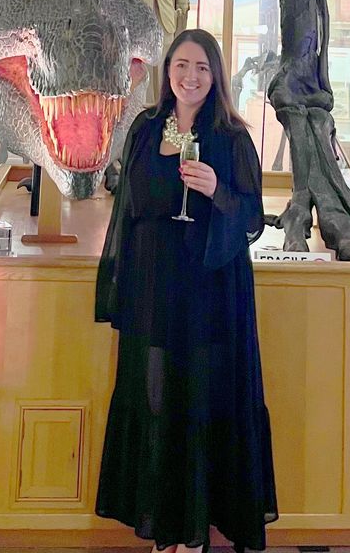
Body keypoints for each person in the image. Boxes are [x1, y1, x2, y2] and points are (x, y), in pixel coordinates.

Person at [95, 28, 278, 553]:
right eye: (180, 65)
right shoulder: (148, 128)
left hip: (211, 288)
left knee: (200, 400)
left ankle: (195, 529)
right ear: (168, 71)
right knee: (155, 399)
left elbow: (251, 218)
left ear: (214, 75)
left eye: (200, 67)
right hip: (156, 281)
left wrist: (217, 189)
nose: (189, 76)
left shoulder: (232, 137)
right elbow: (127, 203)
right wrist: (122, 282)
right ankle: (162, 527)